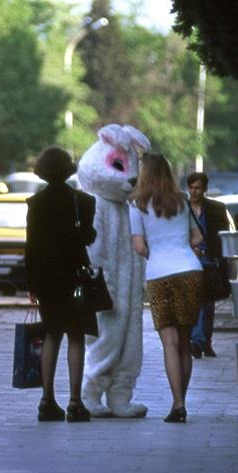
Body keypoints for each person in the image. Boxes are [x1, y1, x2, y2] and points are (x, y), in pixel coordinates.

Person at [78, 124, 151, 418]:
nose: (131, 177)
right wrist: (99, 276)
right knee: (105, 340)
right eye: (121, 167)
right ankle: (90, 392)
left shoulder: (127, 207)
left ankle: (121, 395)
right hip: (106, 286)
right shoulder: (96, 205)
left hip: (129, 289)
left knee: (131, 344)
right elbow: (93, 248)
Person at [25, 147, 98, 423]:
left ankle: (47, 400)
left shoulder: (35, 203)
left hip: (46, 279)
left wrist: (31, 285)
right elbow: (89, 237)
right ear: (69, 169)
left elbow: (30, 248)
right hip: (75, 277)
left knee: (51, 335)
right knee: (76, 336)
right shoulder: (84, 202)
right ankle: (75, 402)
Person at [129, 153, 203, 423]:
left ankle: (178, 404)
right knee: (184, 341)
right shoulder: (183, 202)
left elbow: (139, 247)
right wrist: (180, 247)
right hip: (190, 271)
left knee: (169, 343)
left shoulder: (137, 205)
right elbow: (198, 237)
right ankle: (180, 403)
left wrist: (157, 252)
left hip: (160, 274)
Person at [185, 172, 232, 359]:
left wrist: (222, 262)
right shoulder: (182, 208)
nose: (194, 191)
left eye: (198, 188)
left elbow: (223, 236)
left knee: (208, 304)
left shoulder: (216, 209)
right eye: (191, 187)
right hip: (189, 261)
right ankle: (196, 341)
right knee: (194, 302)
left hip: (210, 262)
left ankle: (205, 342)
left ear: (205, 189)